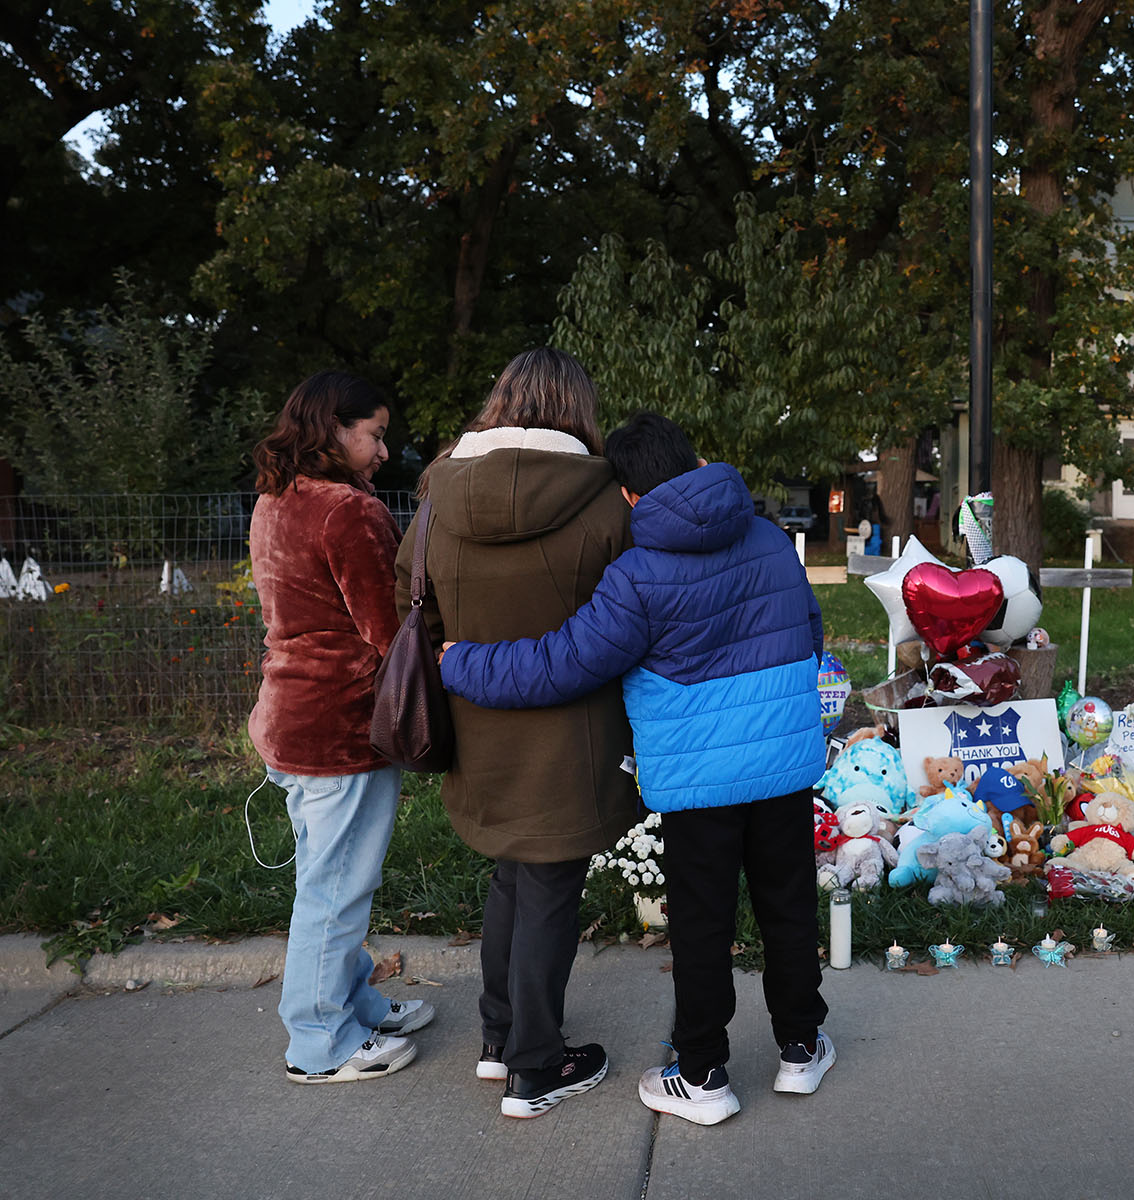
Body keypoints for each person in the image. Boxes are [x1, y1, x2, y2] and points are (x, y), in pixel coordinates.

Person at [438, 412, 831, 1127]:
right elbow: (809, 630)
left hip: (698, 786)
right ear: (696, 459)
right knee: (790, 910)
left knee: (703, 927)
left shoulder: (638, 576)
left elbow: (560, 663)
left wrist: (460, 661)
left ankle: (703, 1073)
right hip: (782, 763)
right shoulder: (771, 539)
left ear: (626, 495)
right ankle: (801, 1048)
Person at [395, 348, 636, 1119]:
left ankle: (499, 1041)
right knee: (548, 888)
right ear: (578, 409)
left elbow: (417, 598)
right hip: (577, 734)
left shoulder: (437, 491)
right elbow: (637, 614)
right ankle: (536, 1064)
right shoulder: (605, 501)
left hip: (477, 720)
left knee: (511, 875)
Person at [248, 371, 434, 1084]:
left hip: (290, 717)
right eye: (376, 434)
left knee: (327, 879)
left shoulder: (275, 499)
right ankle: (319, 1042)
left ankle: (351, 1001)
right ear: (335, 429)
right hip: (339, 728)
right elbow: (389, 632)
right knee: (335, 888)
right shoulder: (348, 512)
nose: (384, 450)